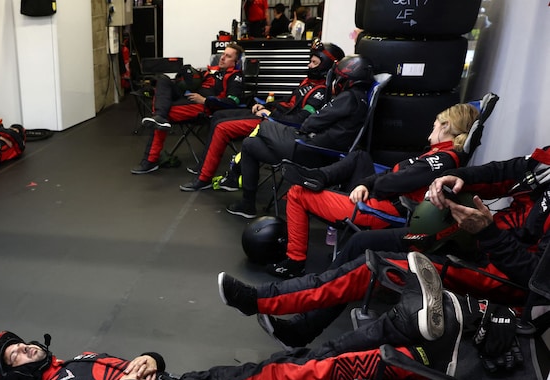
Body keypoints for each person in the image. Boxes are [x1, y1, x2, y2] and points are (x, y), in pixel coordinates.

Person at [0, 253, 463, 380]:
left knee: (293, 363)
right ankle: (408, 354)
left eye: (20, 344)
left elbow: (140, 368)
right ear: (13, 377)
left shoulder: (77, 361)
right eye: (14, 357)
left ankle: (405, 333)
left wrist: (150, 359)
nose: (24, 349)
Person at [217, 144, 550, 349]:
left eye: (437, 124)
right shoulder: (545, 161)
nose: (431, 129)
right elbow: (507, 170)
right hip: (472, 237)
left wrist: (489, 234)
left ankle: (263, 299)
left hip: (495, 272)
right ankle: (303, 327)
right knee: (362, 242)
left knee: (368, 267)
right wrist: (460, 177)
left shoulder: (444, 151)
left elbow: (536, 279)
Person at [266, 102, 480, 278]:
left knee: (297, 193)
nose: (431, 130)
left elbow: (393, 182)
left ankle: (294, 262)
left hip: (385, 208)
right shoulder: (438, 154)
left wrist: (372, 186)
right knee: (360, 156)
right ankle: (318, 177)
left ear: (445, 126)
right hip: (384, 198)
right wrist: (365, 184)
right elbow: (391, 175)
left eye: (434, 125)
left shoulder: (441, 160)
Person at [179, 40, 343, 192]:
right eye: (310, 61)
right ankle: (204, 166)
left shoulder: (321, 92)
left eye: (314, 62)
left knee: (222, 127)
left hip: (279, 127)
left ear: (326, 66)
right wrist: (266, 105)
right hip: (274, 117)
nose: (309, 65)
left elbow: (300, 121)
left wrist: (270, 113)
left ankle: (204, 178)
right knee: (218, 116)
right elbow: (287, 102)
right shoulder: (308, 83)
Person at [226, 55, 374, 219]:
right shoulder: (359, 98)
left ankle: (243, 195)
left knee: (264, 126)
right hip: (317, 150)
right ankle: (246, 204)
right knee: (249, 144)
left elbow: (310, 123)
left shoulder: (348, 97)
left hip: (310, 150)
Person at [131, 44, 245, 175]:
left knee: (164, 112)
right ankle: (159, 117)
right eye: (223, 54)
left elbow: (233, 102)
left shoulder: (235, 77)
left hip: (204, 106)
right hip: (188, 96)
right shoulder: (212, 70)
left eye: (228, 56)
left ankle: (150, 160)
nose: (222, 58)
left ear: (235, 62)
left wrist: (205, 100)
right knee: (162, 79)